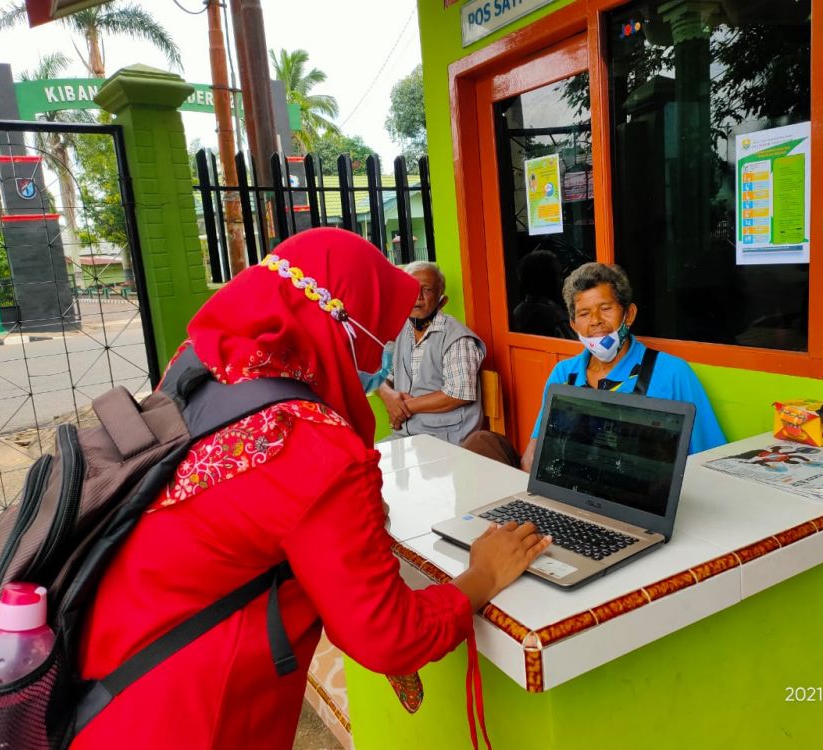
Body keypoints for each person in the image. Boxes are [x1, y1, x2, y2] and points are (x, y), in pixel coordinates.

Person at [72, 229, 550, 749]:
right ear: (343, 325)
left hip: (100, 685)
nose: (382, 355)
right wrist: (483, 574)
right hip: (193, 716)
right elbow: (388, 636)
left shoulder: (201, 373)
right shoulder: (310, 445)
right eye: (379, 333)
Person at [462, 262, 726, 471]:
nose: (596, 321)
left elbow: (711, 460)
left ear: (629, 314)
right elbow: (536, 451)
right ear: (574, 325)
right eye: (585, 314)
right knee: (480, 444)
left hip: (640, 506)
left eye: (605, 308)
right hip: (572, 495)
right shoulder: (564, 375)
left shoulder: (672, 373)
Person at [377, 261, 486, 445]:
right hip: (407, 437)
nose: (417, 297)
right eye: (411, 288)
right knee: (362, 464)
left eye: (426, 290)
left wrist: (402, 407)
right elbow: (379, 374)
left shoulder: (457, 337)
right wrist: (388, 395)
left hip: (447, 439)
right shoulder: (400, 330)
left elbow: (458, 394)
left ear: (442, 300)